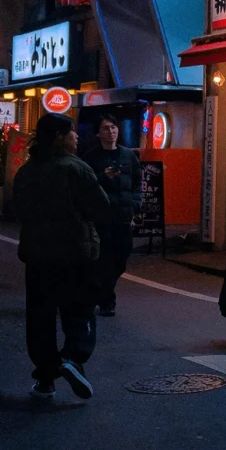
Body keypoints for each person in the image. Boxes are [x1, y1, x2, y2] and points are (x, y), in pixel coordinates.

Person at [13, 113, 109, 400]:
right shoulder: (75, 169)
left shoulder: (26, 171)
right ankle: (72, 358)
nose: (77, 137)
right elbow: (99, 205)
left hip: (37, 255)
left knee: (40, 317)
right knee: (79, 311)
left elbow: (18, 209)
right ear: (59, 137)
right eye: (71, 133)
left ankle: (45, 378)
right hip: (74, 254)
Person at [82, 113, 142, 317]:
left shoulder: (128, 155)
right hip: (101, 215)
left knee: (121, 257)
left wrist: (136, 202)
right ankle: (107, 300)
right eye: (106, 128)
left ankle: (99, 292)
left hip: (123, 214)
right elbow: (85, 186)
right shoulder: (91, 157)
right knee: (102, 258)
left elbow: (137, 180)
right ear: (98, 133)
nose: (111, 131)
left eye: (114, 127)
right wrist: (102, 177)